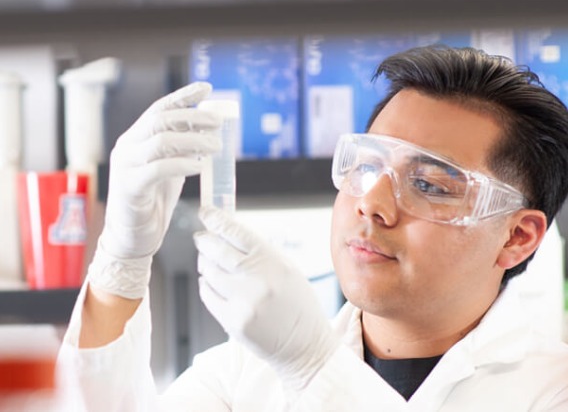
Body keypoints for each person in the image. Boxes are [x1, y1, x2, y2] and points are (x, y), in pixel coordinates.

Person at [57, 45, 568, 411]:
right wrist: (121, 262)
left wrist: (311, 367)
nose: (372, 204)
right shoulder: (242, 377)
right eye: (366, 166)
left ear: (517, 237)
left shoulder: (553, 389)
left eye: (431, 185)